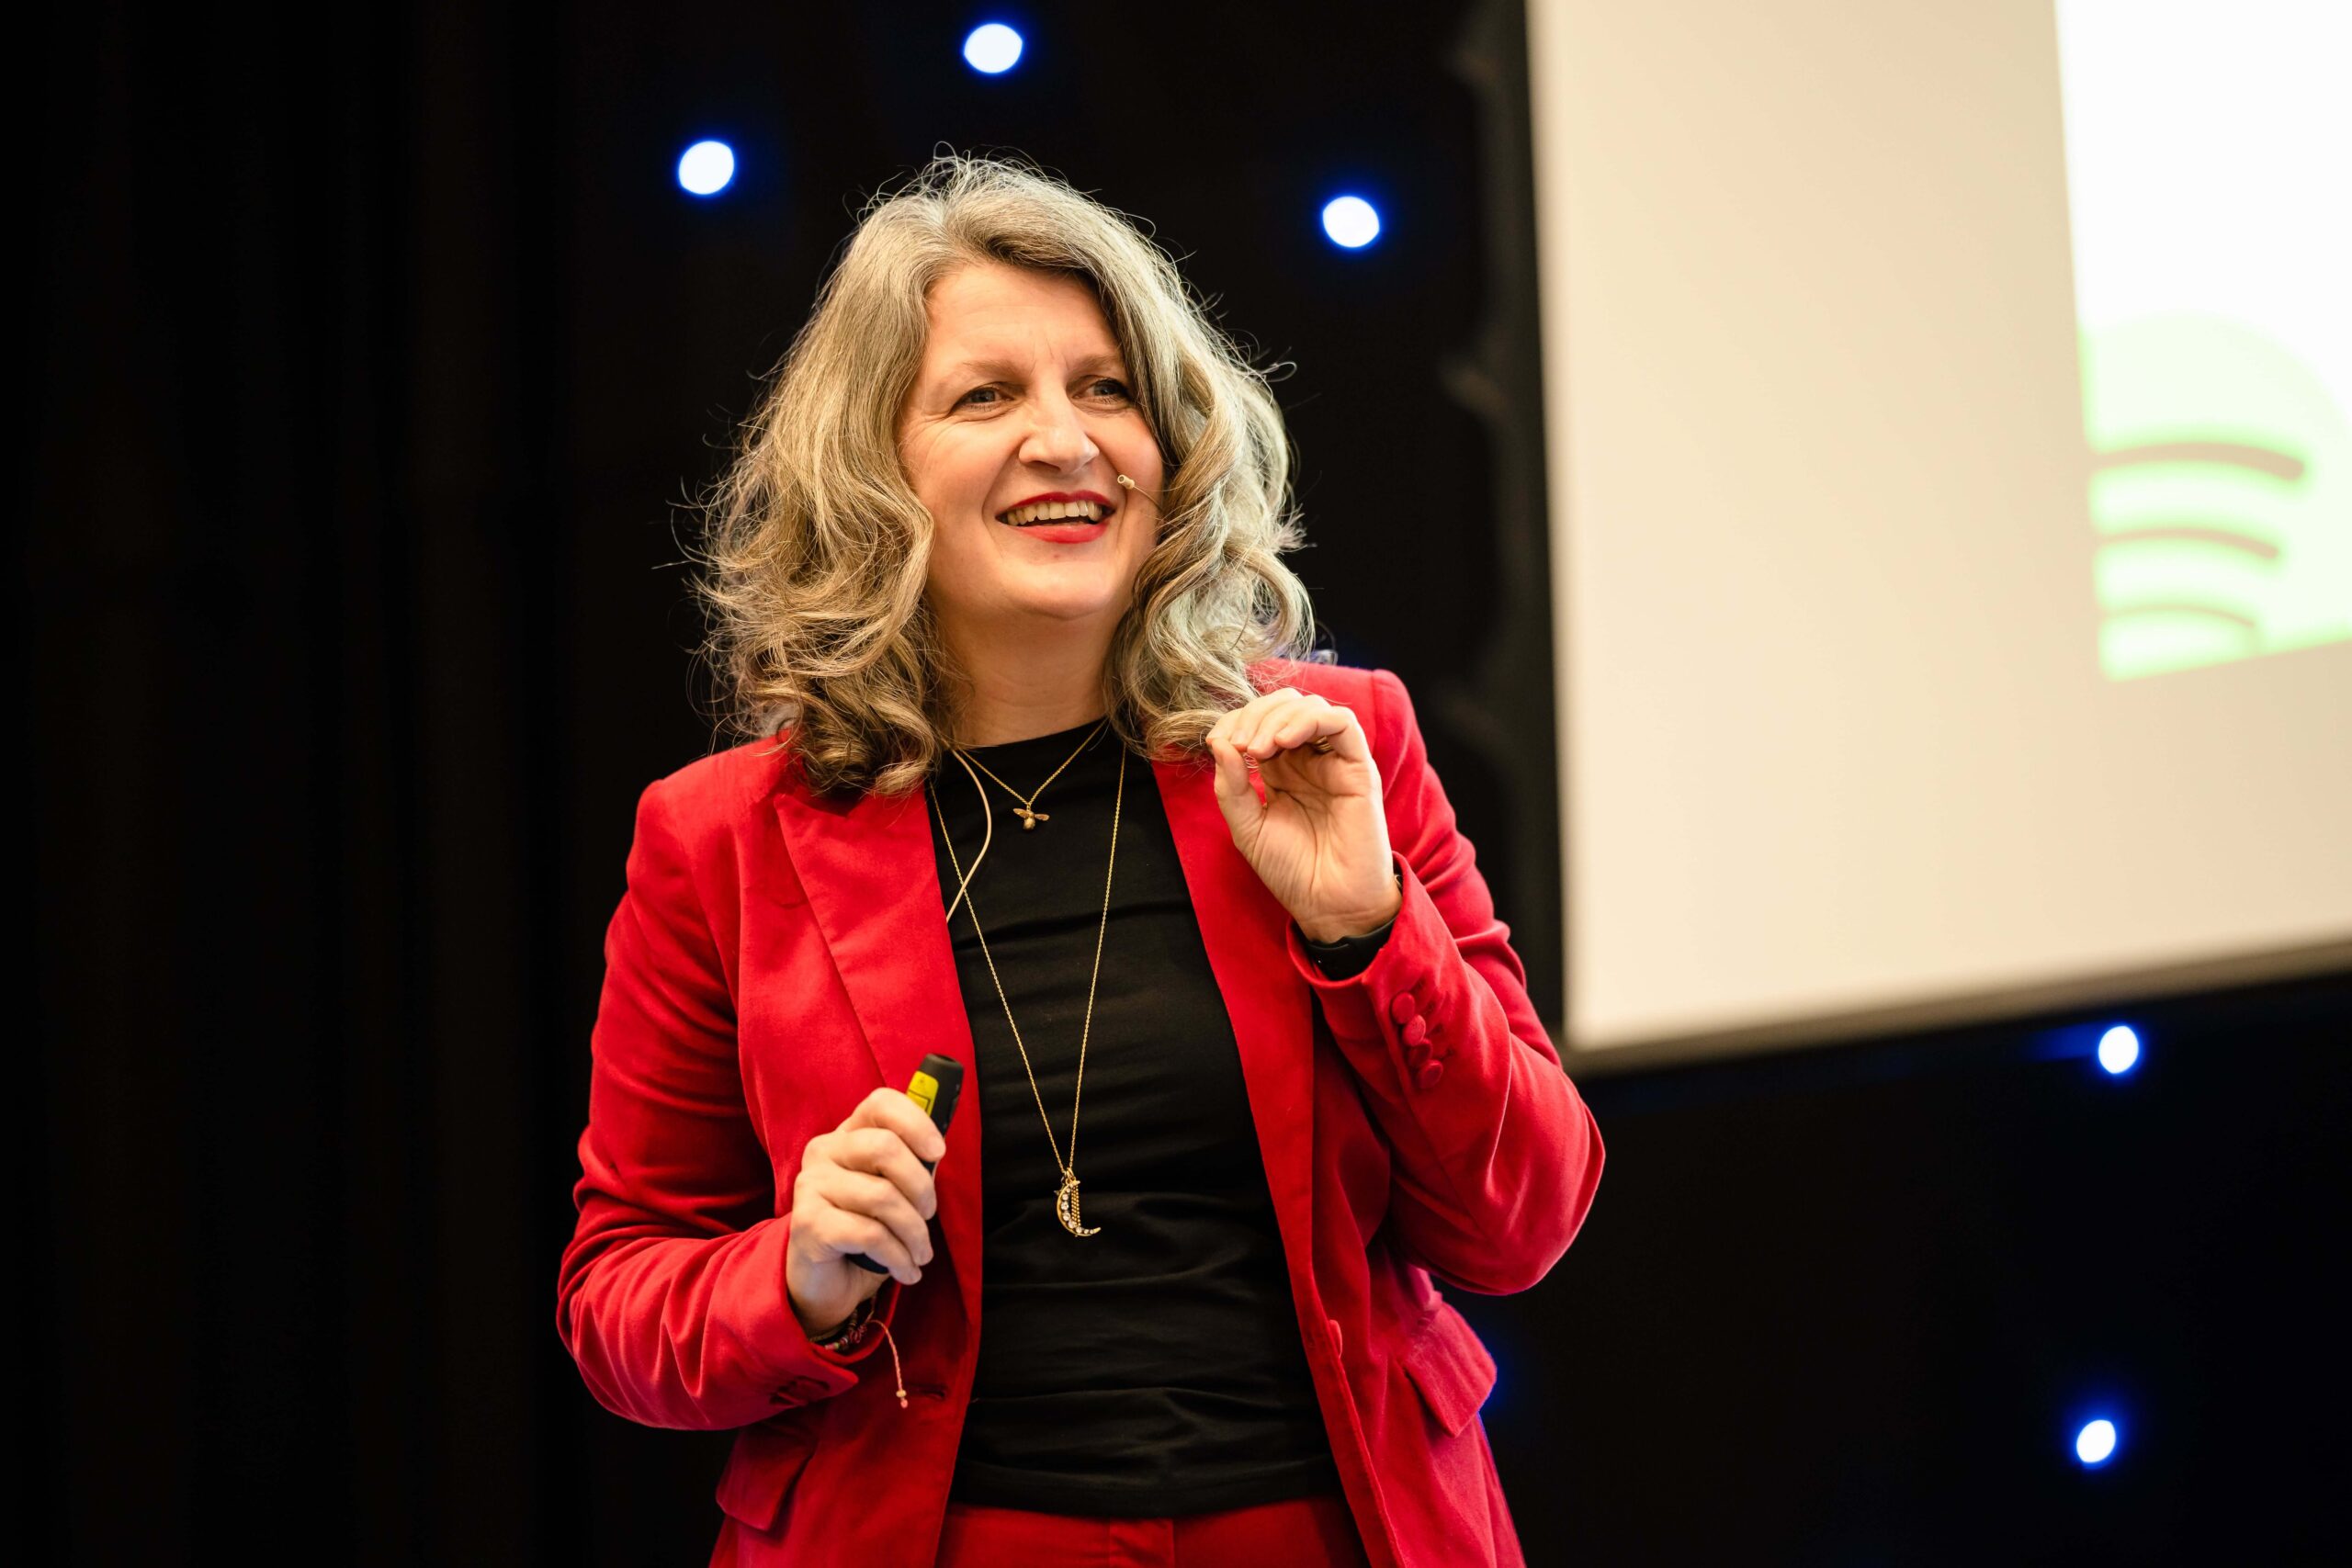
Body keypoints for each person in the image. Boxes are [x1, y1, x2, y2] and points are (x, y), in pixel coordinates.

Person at [555, 152, 1604, 1568]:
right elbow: (621, 1306)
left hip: (1327, 1529)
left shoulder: (1333, 746)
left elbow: (1523, 1219)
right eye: (988, 395)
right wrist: (794, 1273)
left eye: (1106, 388)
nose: (1068, 440)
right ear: (873, 469)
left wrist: (1368, 931)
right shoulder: (721, 839)